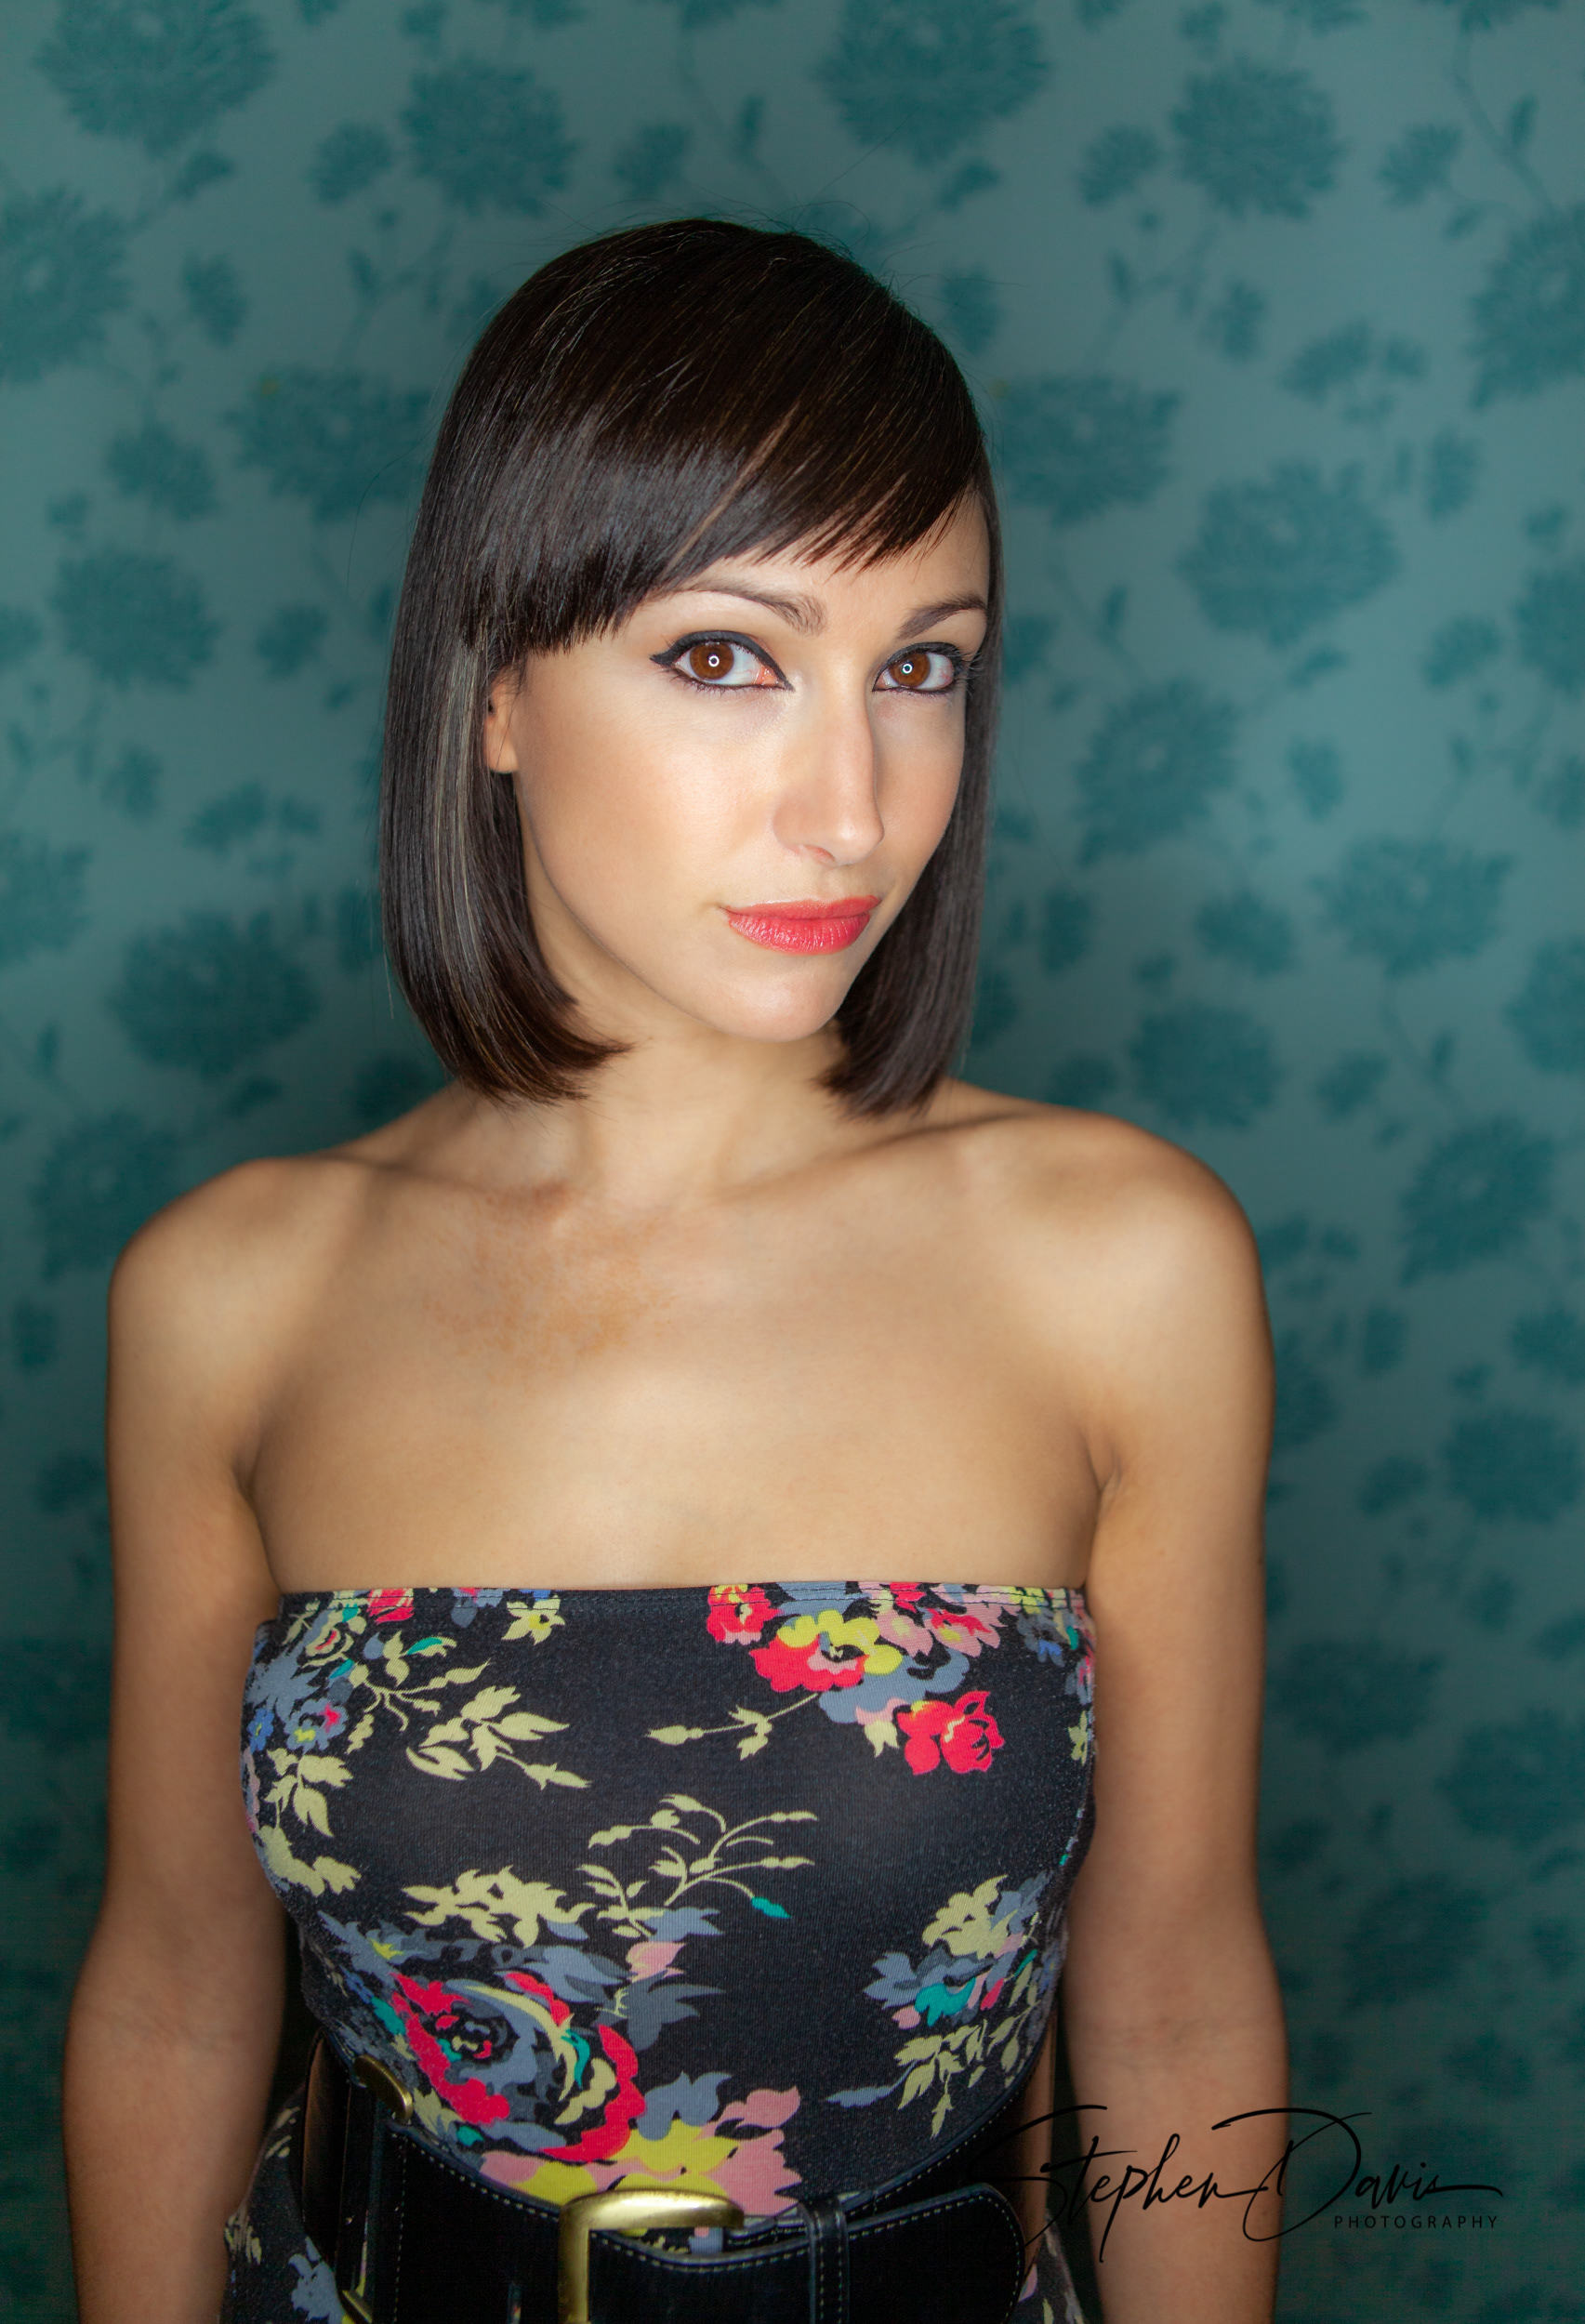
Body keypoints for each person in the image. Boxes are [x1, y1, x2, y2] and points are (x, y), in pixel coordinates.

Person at [63, 219, 1287, 2324]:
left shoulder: (1120, 1263)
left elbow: (1173, 1999)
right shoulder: (233, 1293)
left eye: (921, 667)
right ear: (496, 687)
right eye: (727, 657)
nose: (852, 809)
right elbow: (175, 1988)